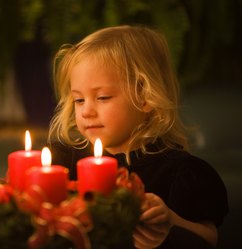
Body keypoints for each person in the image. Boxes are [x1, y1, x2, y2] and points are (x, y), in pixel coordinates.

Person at [47, 25, 229, 249]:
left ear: (145, 97)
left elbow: (209, 239)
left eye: (102, 97)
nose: (86, 111)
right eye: (79, 100)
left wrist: (171, 222)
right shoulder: (62, 163)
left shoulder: (181, 173)